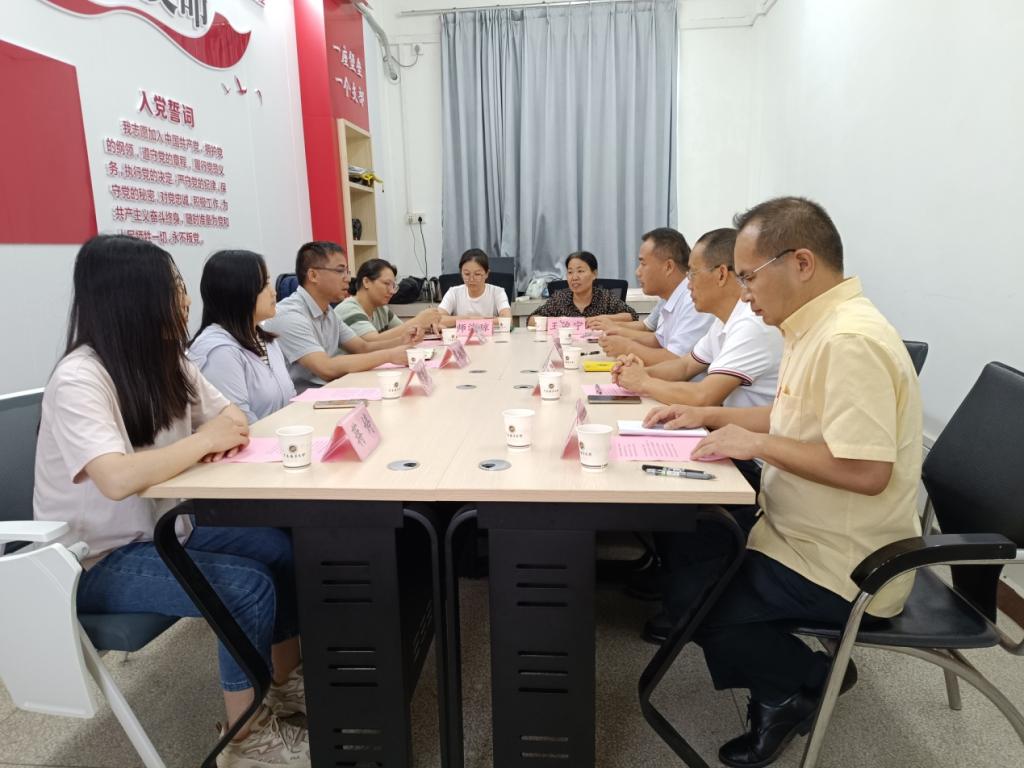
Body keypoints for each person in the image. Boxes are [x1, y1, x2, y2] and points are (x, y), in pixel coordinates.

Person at [645, 197, 922, 767]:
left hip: (848, 562)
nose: (744, 292)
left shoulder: (849, 340)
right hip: (796, 528)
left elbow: (868, 472)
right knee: (691, 547)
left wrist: (757, 445)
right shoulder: (812, 327)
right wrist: (707, 414)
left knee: (693, 597)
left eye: (749, 276)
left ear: (801, 263)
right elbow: (788, 417)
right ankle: (788, 674)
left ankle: (800, 684)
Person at [33, 235, 309, 767]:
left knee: (279, 548)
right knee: (244, 588)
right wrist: (202, 443)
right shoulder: (80, 379)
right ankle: (245, 739)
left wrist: (207, 438)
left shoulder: (169, 361)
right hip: (94, 560)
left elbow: (232, 417)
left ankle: (281, 683)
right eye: (176, 286)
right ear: (134, 297)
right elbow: (116, 478)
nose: (185, 299)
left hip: (166, 530)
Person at [613, 228, 782, 408]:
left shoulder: (751, 323)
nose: (688, 285)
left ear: (721, 274)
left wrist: (643, 382)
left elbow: (703, 396)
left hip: (741, 425)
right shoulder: (724, 320)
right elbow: (685, 366)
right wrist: (639, 372)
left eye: (693, 274)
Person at [263, 241, 416, 393]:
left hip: (330, 390)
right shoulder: (289, 315)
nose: (348, 278)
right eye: (340, 271)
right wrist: (389, 355)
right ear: (313, 275)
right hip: (301, 401)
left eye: (347, 271)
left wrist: (401, 341)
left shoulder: (328, 311)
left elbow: (363, 347)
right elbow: (326, 368)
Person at [189, 250, 296, 423]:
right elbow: (240, 424)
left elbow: (290, 398)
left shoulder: (265, 339)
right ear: (238, 291)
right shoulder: (219, 351)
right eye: (264, 284)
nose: (273, 292)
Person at [598, 228, 713, 364]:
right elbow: (659, 340)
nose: (637, 272)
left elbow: (676, 360)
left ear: (668, 267)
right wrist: (618, 335)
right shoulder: (670, 297)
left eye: (643, 264)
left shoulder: (693, 300)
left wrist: (627, 347)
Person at [335, 258, 440, 340]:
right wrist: (418, 321)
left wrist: (427, 327)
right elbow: (371, 343)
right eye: (386, 284)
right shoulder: (349, 309)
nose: (392, 291)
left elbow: (404, 331)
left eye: (393, 286)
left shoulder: (381, 309)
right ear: (366, 282)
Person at [527, 251, 638, 323]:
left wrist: (601, 319)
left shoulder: (605, 298)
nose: (574, 277)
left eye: (580, 271)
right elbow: (531, 320)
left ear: (594, 274)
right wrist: (561, 322)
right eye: (570, 272)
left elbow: (632, 316)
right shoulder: (560, 298)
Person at [437, 248, 513, 326]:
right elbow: (437, 319)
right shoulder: (453, 292)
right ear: (461, 273)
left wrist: (466, 321)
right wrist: (470, 319)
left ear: (487, 274)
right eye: (467, 274)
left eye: (477, 274)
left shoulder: (498, 292)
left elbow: (508, 321)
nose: (471, 279)